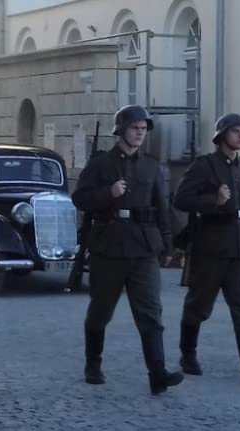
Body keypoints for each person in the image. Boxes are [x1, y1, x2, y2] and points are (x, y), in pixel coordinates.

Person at [72, 104, 184, 395]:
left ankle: (157, 374)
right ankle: (93, 364)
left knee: (150, 312)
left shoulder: (151, 165)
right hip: (108, 246)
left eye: (144, 129)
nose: (140, 133)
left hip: (143, 247)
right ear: (121, 130)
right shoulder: (101, 164)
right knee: (100, 311)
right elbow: (80, 199)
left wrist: (168, 244)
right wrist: (107, 193)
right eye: (135, 128)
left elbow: (161, 207)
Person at [174, 113, 240, 384]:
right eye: (235, 131)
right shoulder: (204, 166)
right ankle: (188, 354)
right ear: (221, 136)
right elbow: (181, 199)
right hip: (211, 246)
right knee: (198, 305)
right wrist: (214, 201)